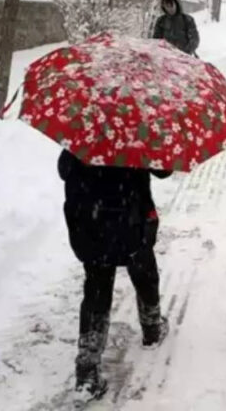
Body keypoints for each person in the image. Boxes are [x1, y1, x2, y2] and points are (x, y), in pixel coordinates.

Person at [58, 150, 173, 400]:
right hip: (131, 220)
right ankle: (152, 326)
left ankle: (88, 370)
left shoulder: (85, 132)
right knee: (144, 271)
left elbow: (63, 171)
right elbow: (165, 170)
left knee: (97, 288)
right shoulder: (140, 133)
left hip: (91, 223)